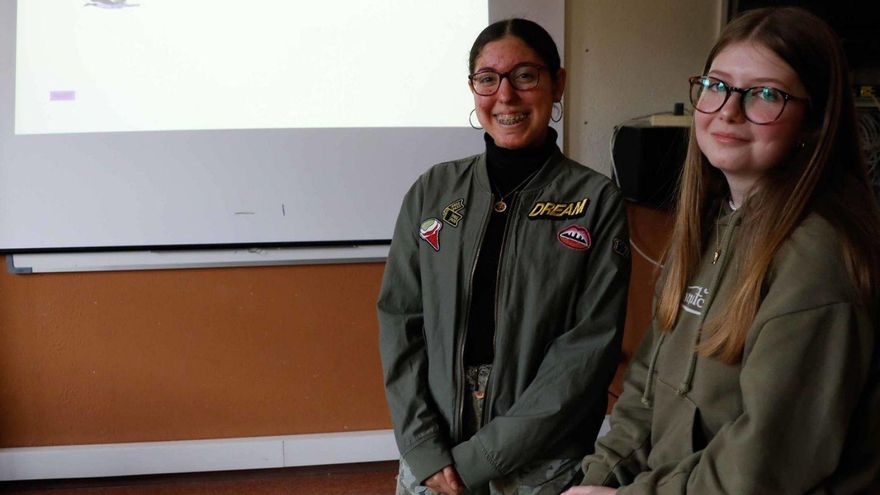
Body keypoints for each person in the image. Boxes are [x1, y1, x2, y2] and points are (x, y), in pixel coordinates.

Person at [565, 7, 880, 495]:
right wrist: (600, 480)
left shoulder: (817, 259)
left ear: (813, 124)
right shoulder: (707, 226)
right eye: (716, 86)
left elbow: (764, 465)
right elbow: (645, 389)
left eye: (766, 95)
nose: (728, 111)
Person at [378, 18, 630, 495]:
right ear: (474, 88)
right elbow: (400, 321)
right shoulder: (433, 190)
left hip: (542, 453)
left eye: (525, 75)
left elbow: (588, 348)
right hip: (436, 448)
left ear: (558, 83)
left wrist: (485, 456)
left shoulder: (595, 201)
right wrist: (422, 445)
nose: (506, 96)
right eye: (487, 78)